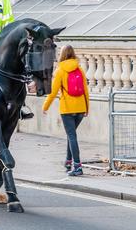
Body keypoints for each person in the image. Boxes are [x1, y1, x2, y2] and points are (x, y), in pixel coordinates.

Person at [42, 45, 89, 177]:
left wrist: (45, 106)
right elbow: (85, 91)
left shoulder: (60, 70)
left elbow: (53, 92)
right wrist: (87, 108)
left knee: (72, 136)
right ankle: (68, 162)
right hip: (80, 108)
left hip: (67, 108)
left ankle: (78, 166)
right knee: (71, 135)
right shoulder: (79, 68)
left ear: (61, 54)